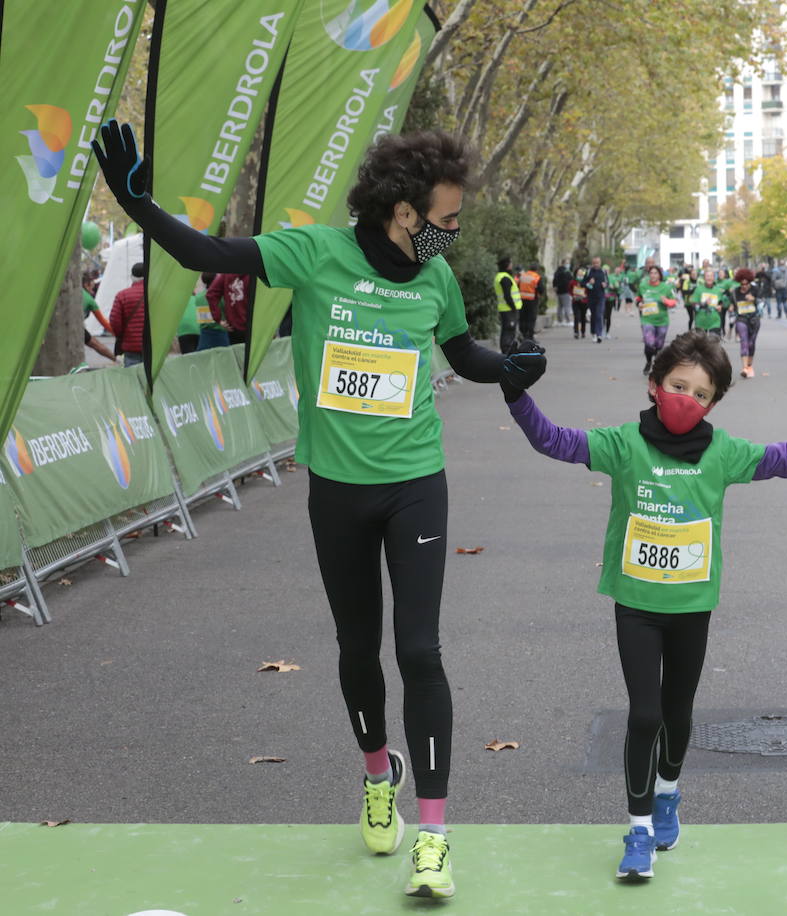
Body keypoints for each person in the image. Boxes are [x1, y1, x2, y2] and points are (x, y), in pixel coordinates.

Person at [93, 120, 549, 899]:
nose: (454, 232)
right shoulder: (317, 253)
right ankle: (379, 778)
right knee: (355, 649)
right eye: (446, 218)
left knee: (420, 652)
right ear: (403, 210)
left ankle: (433, 838)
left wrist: (504, 367)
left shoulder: (434, 281)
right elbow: (209, 256)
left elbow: (460, 352)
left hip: (415, 483)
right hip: (337, 490)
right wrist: (142, 211)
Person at [503, 330, 787, 880]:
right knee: (645, 713)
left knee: (678, 713)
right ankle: (637, 830)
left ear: (714, 402)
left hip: (691, 604)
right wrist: (516, 395)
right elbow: (553, 440)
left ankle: (667, 794)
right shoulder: (623, 443)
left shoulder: (723, 452)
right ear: (655, 385)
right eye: (678, 385)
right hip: (635, 602)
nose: (687, 398)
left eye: (701, 393)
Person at [108, 261, 147, 367]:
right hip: (152, 347)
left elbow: (114, 322)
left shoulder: (122, 295)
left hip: (131, 348)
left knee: (133, 380)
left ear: (132, 276)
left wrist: (122, 335)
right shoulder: (155, 294)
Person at [637, 265, 675, 374]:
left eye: (655, 273)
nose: (653, 275)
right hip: (647, 319)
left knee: (659, 345)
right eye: (651, 273)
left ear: (660, 275)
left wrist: (666, 301)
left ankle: (657, 362)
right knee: (649, 344)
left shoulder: (666, 287)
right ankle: (649, 361)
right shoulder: (643, 286)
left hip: (662, 320)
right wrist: (639, 303)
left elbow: (673, 302)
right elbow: (638, 298)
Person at [205, 270, 251, 345]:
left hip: (234, 327)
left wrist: (218, 319)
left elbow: (211, 293)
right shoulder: (256, 273)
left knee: (238, 355)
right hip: (255, 326)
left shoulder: (226, 274)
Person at [732, 269, 762, 378]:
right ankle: (744, 368)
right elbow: (732, 304)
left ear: (749, 282)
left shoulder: (755, 290)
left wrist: (753, 299)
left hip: (754, 320)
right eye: (742, 284)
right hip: (741, 319)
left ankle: (749, 366)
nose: (744, 286)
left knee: (751, 344)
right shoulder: (735, 291)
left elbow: (762, 302)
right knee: (744, 342)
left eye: (746, 283)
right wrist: (731, 307)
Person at [195, 271, 232, 350]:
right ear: (216, 280)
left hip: (204, 335)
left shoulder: (198, 298)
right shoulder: (220, 297)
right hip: (220, 333)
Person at [690, 268, 728, 339]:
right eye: (707, 276)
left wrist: (720, 306)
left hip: (715, 322)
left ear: (714, 278)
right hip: (701, 322)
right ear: (704, 278)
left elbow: (721, 302)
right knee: (701, 347)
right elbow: (693, 304)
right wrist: (703, 303)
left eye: (711, 276)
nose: (709, 278)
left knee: (713, 345)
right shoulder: (699, 289)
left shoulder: (718, 290)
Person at [494, 256, 520, 353]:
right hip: (508, 309)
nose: (512, 265)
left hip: (505, 308)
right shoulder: (505, 278)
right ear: (507, 265)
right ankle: (506, 350)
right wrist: (513, 307)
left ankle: (506, 350)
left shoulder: (501, 276)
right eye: (510, 263)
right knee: (509, 330)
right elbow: (507, 296)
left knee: (507, 330)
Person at [585, 256, 609, 343]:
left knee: (599, 315)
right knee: (593, 316)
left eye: (597, 263)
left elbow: (607, 283)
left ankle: (599, 334)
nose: (596, 264)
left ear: (600, 263)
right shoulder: (588, 272)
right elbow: (583, 283)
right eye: (594, 263)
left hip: (601, 297)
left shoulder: (603, 272)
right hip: (591, 297)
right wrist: (589, 283)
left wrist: (605, 285)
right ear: (592, 263)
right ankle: (594, 333)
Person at [176, 280, 204, 355]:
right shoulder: (198, 298)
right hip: (198, 331)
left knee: (189, 360)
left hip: (183, 332)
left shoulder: (178, 300)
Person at [518, 263, 542, 340]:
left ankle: (523, 335)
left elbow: (518, 286)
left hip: (522, 299)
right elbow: (541, 289)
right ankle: (530, 336)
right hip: (532, 300)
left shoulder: (523, 276)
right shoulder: (536, 277)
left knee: (523, 317)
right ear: (536, 270)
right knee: (531, 318)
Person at [570, 264, 590, 340]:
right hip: (575, 301)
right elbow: (569, 290)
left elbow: (589, 290)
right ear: (576, 274)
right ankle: (576, 332)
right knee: (576, 317)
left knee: (583, 317)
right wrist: (572, 295)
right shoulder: (573, 282)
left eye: (581, 274)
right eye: (578, 274)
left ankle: (583, 332)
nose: (580, 275)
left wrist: (586, 295)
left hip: (584, 301)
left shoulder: (586, 282)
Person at [553, 260, 574, 327]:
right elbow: (570, 280)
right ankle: (568, 320)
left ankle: (560, 320)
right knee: (567, 306)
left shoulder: (557, 271)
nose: (568, 264)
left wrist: (555, 287)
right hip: (566, 291)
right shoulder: (567, 272)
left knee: (559, 307)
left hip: (558, 291)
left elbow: (554, 280)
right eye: (567, 263)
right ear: (564, 263)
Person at [677, 265, 698, 330]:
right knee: (691, 318)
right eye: (693, 274)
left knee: (698, 317)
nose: (694, 275)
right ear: (690, 275)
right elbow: (684, 292)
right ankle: (689, 330)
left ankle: (698, 331)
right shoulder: (687, 282)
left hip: (698, 303)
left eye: (695, 274)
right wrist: (693, 290)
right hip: (689, 303)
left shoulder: (700, 281)